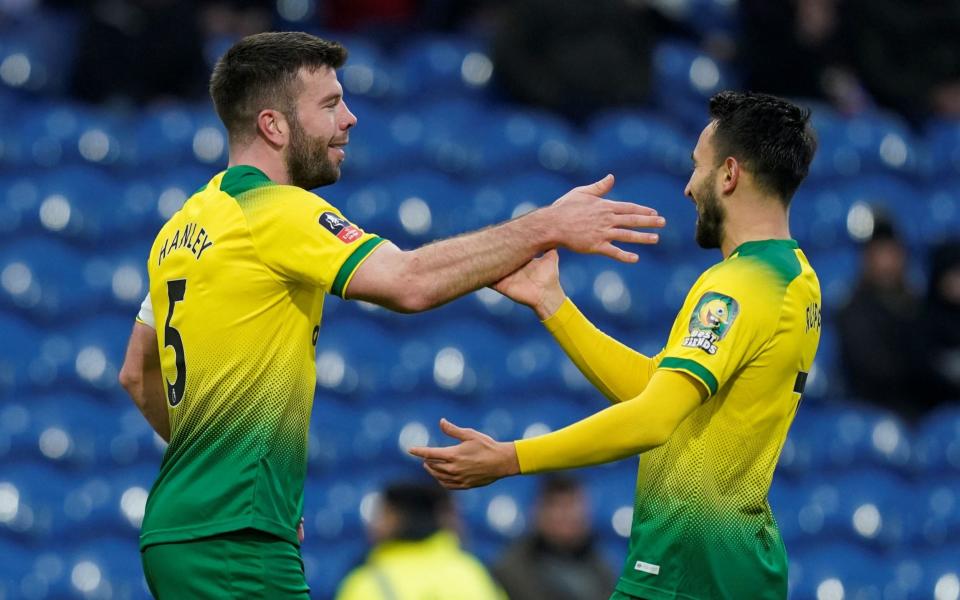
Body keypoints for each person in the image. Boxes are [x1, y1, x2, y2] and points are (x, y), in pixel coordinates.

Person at [116, 31, 663, 599]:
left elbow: (137, 372)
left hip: (181, 528)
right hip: (233, 540)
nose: (349, 119)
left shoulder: (180, 227)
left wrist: (221, 480)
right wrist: (544, 226)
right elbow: (409, 283)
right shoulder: (275, 211)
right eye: (329, 105)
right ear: (274, 126)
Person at [410, 91, 821, 600]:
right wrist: (552, 304)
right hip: (723, 561)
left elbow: (652, 418)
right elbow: (658, 390)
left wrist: (511, 458)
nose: (689, 186)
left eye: (698, 167)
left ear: (730, 174)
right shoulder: (796, 278)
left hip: (691, 568)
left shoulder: (741, 285)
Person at [335, 481, 504, 600]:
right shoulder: (473, 573)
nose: (373, 524)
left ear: (394, 518)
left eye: (380, 514)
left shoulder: (365, 584)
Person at [836, 218, 932, 420]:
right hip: (871, 412)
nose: (887, 263)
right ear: (866, 259)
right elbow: (873, 371)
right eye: (879, 254)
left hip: (922, 411)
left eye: (892, 253)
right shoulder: (853, 311)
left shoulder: (919, 306)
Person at [492, 475, 615, 600]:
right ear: (536, 511)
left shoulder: (603, 567)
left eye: (572, 504)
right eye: (556, 505)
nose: (565, 515)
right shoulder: (512, 570)